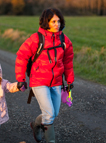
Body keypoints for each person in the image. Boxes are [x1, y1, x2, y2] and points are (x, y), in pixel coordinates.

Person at [15, 8, 74, 143]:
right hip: (39, 81)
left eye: (58, 21)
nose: (57, 24)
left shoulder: (64, 40)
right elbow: (21, 56)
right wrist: (20, 79)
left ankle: (36, 125)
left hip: (57, 82)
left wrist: (69, 80)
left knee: (54, 113)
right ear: (46, 22)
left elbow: (68, 62)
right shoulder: (36, 39)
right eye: (53, 21)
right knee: (49, 114)